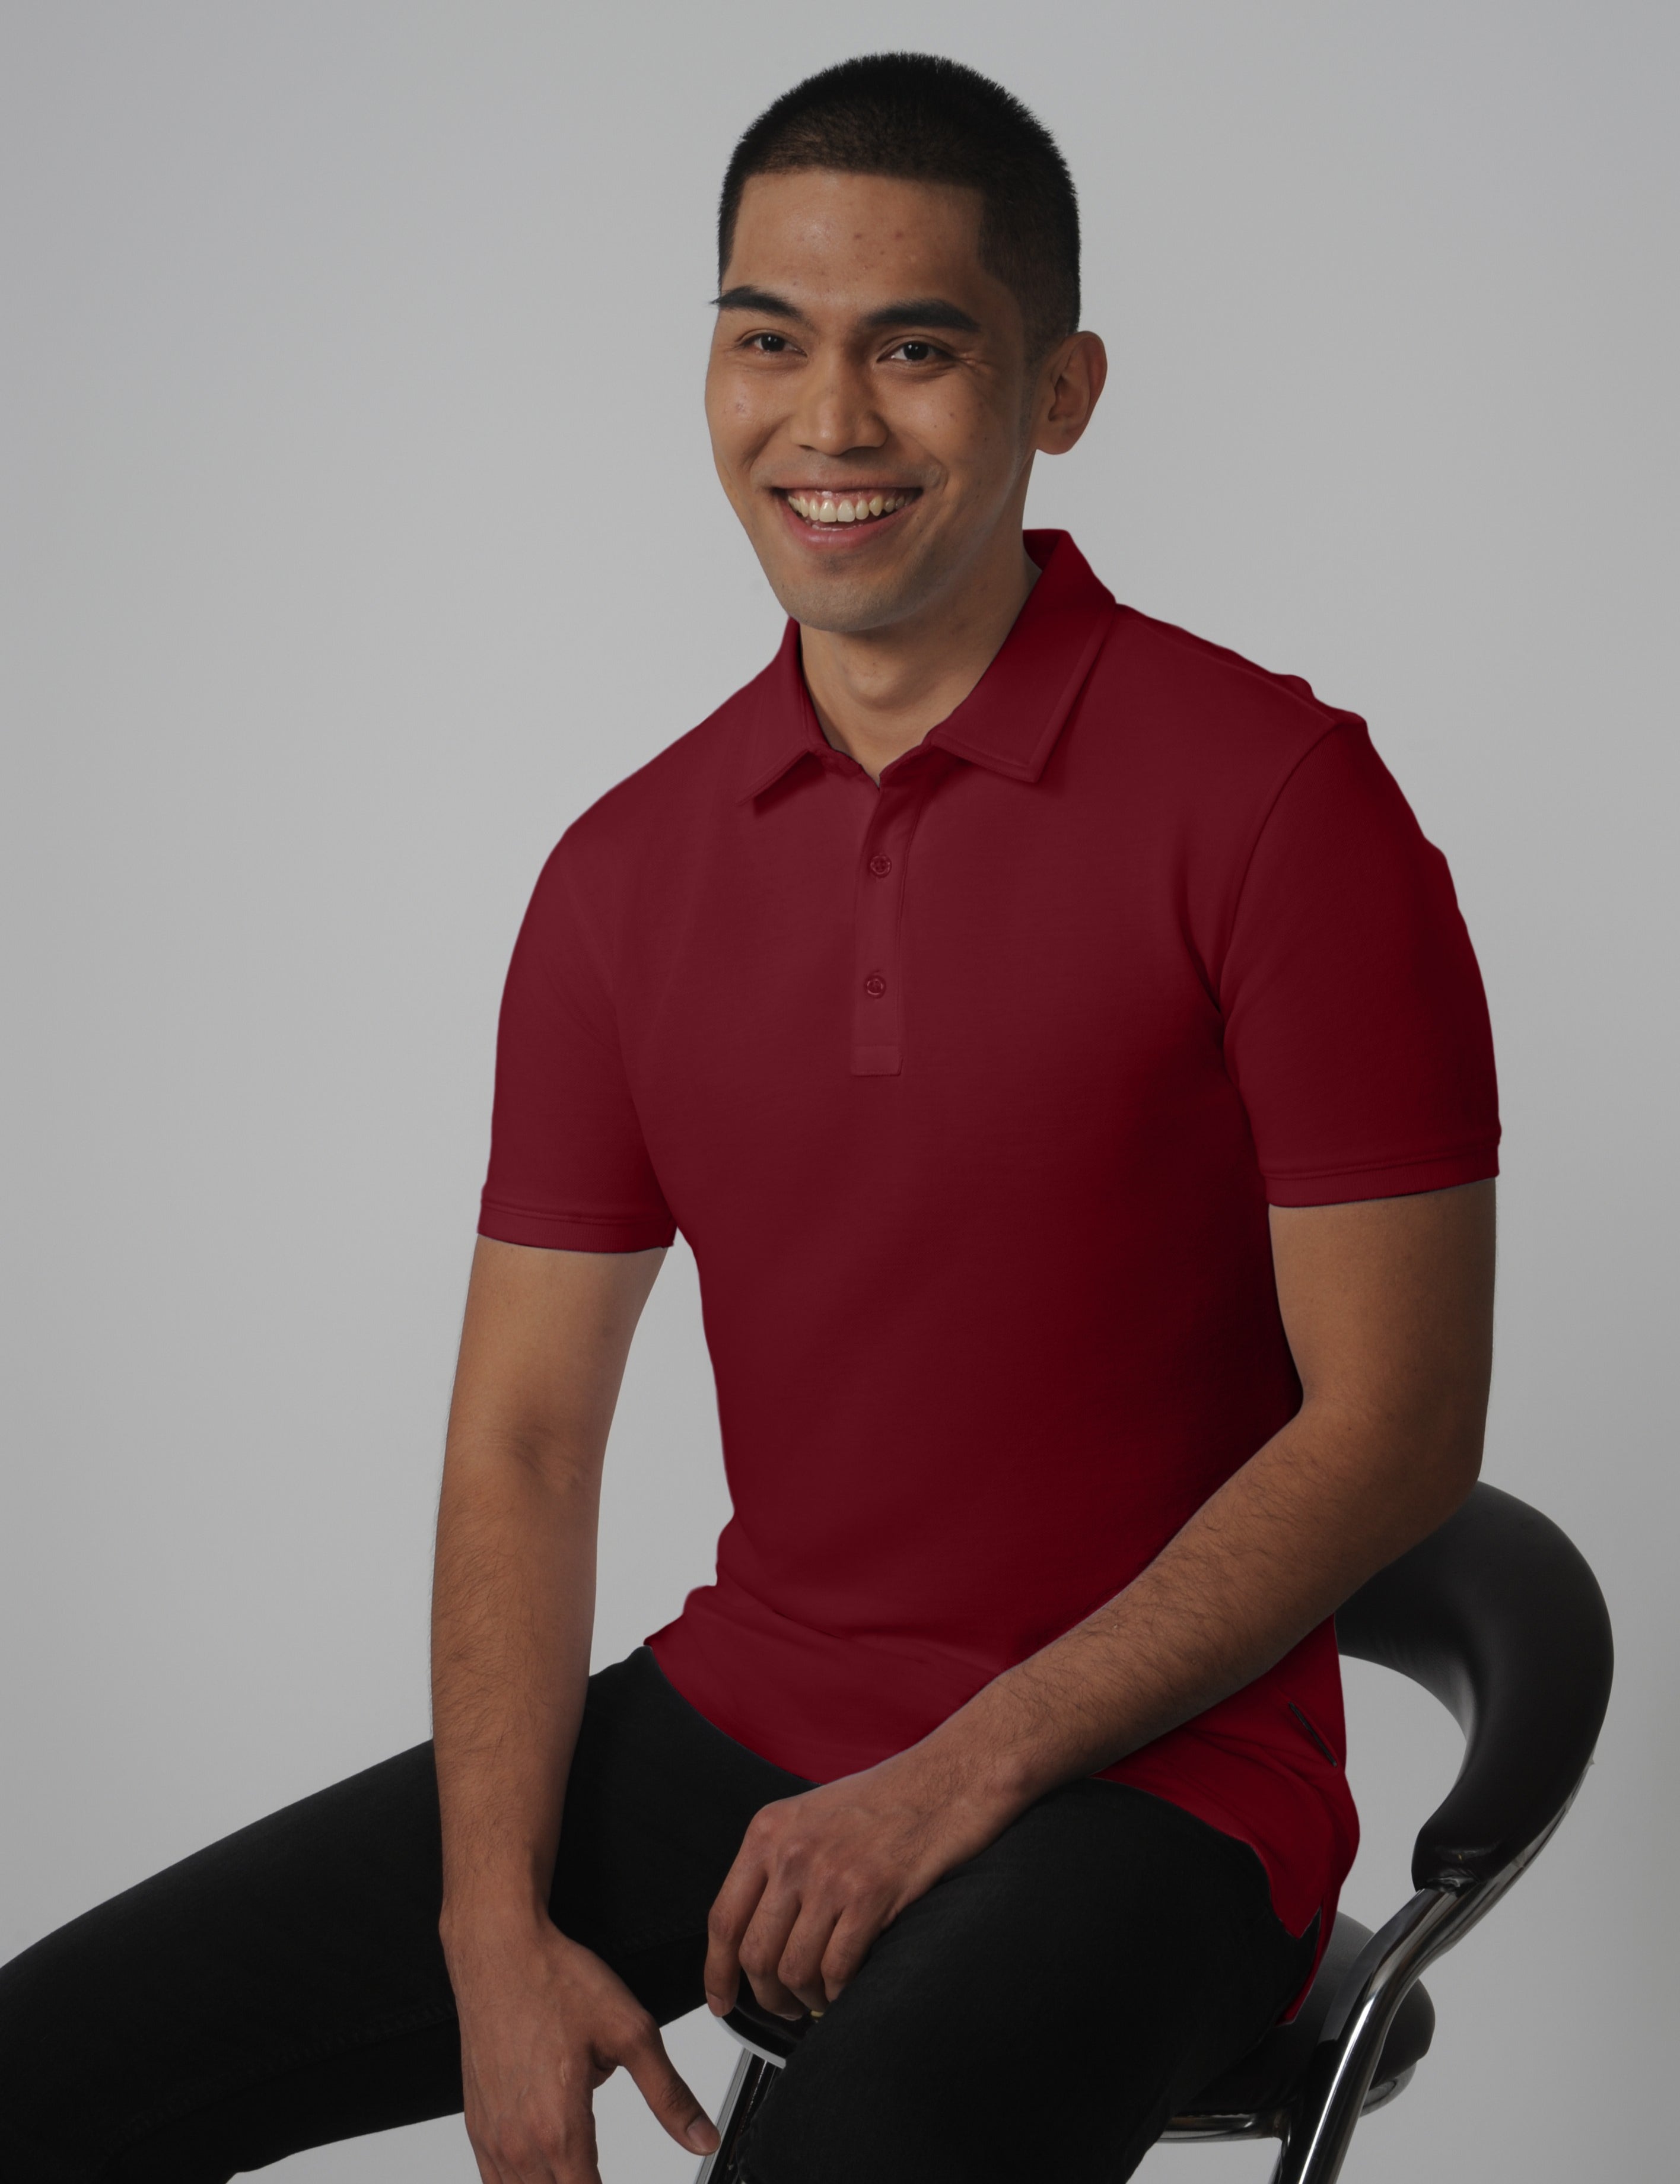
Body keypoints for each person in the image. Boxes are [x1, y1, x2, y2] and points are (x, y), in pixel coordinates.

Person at [0, 50, 1499, 2184]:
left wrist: (952, 1775)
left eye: (918, 348)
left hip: (1164, 1781)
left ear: (1061, 391)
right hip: (754, 1710)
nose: (831, 420)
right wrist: (490, 1930)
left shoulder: (1279, 805)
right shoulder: (624, 876)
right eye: (769, 339)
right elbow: (527, 1437)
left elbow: (1399, 1424)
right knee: (49, 2067)